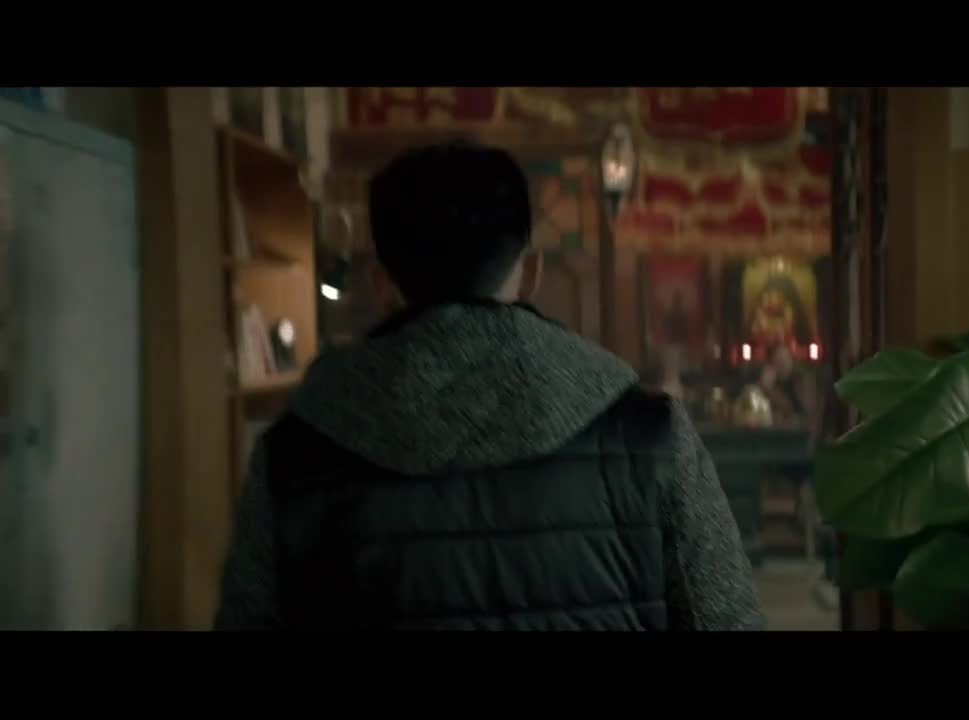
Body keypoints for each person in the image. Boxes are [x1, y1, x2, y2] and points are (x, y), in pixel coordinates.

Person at [214, 142, 764, 631]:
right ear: (530, 275)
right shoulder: (647, 434)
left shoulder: (293, 454)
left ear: (381, 283)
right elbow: (726, 615)